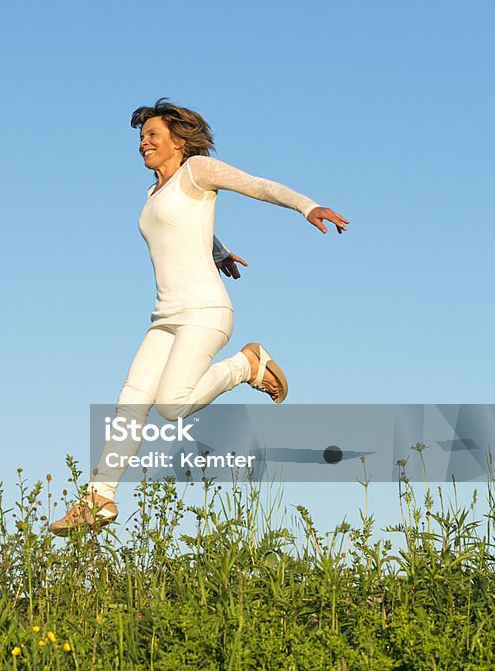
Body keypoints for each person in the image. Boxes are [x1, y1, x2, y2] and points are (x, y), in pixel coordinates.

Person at [49, 98, 348, 536]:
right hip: (165, 316)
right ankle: (99, 497)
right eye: (140, 136)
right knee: (130, 403)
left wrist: (307, 206)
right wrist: (220, 250)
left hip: (205, 310)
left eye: (152, 135)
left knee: (171, 404)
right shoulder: (154, 192)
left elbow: (255, 185)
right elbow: (185, 227)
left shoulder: (197, 171)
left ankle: (246, 364)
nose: (143, 143)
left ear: (178, 141)